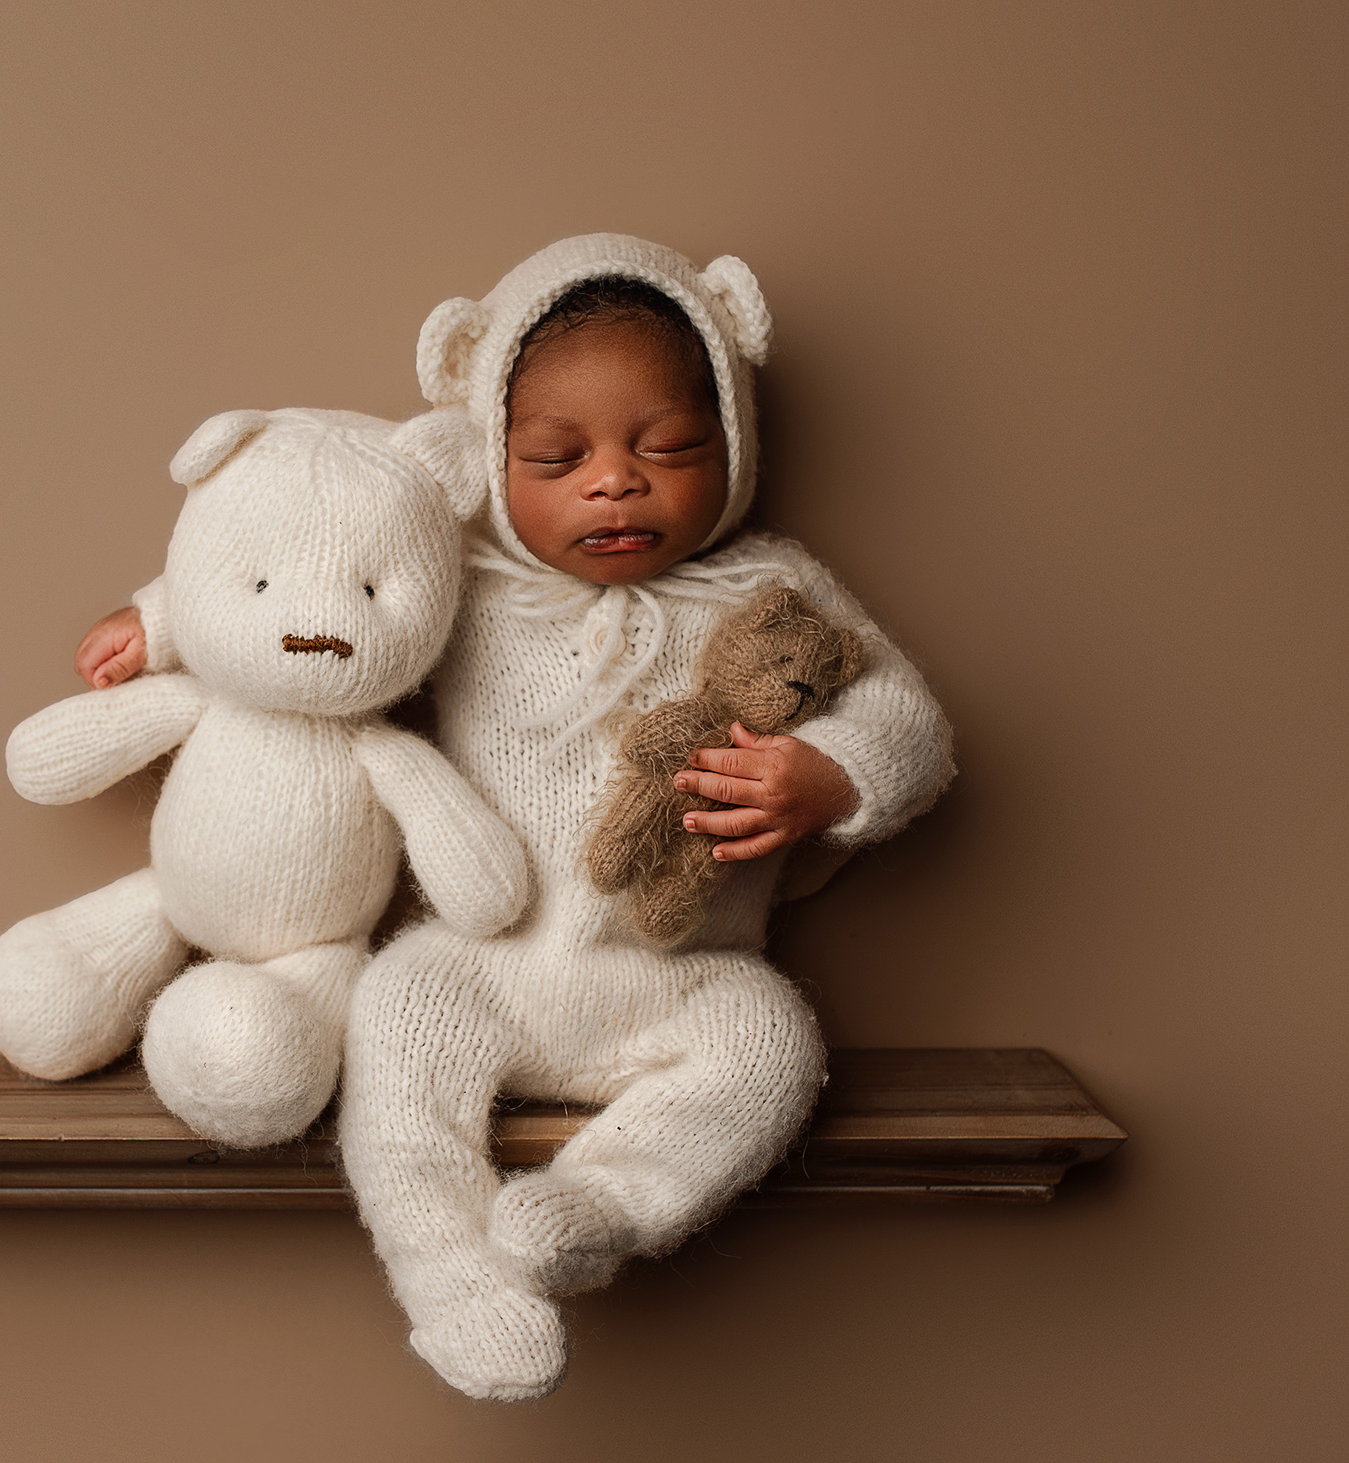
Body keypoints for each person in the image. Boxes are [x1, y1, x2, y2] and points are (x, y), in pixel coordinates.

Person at [74, 235, 953, 1400]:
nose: (613, 479)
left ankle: (600, 1203)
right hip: (482, 964)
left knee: (772, 1045)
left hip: (681, 979)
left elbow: (908, 716)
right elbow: (319, 571)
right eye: (556, 454)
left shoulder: (771, 587)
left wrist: (833, 775)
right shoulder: (465, 571)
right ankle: (452, 1278)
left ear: (730, 442)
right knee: (395, 1021)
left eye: (668, 446)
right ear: (493, 452)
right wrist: (159, 622)